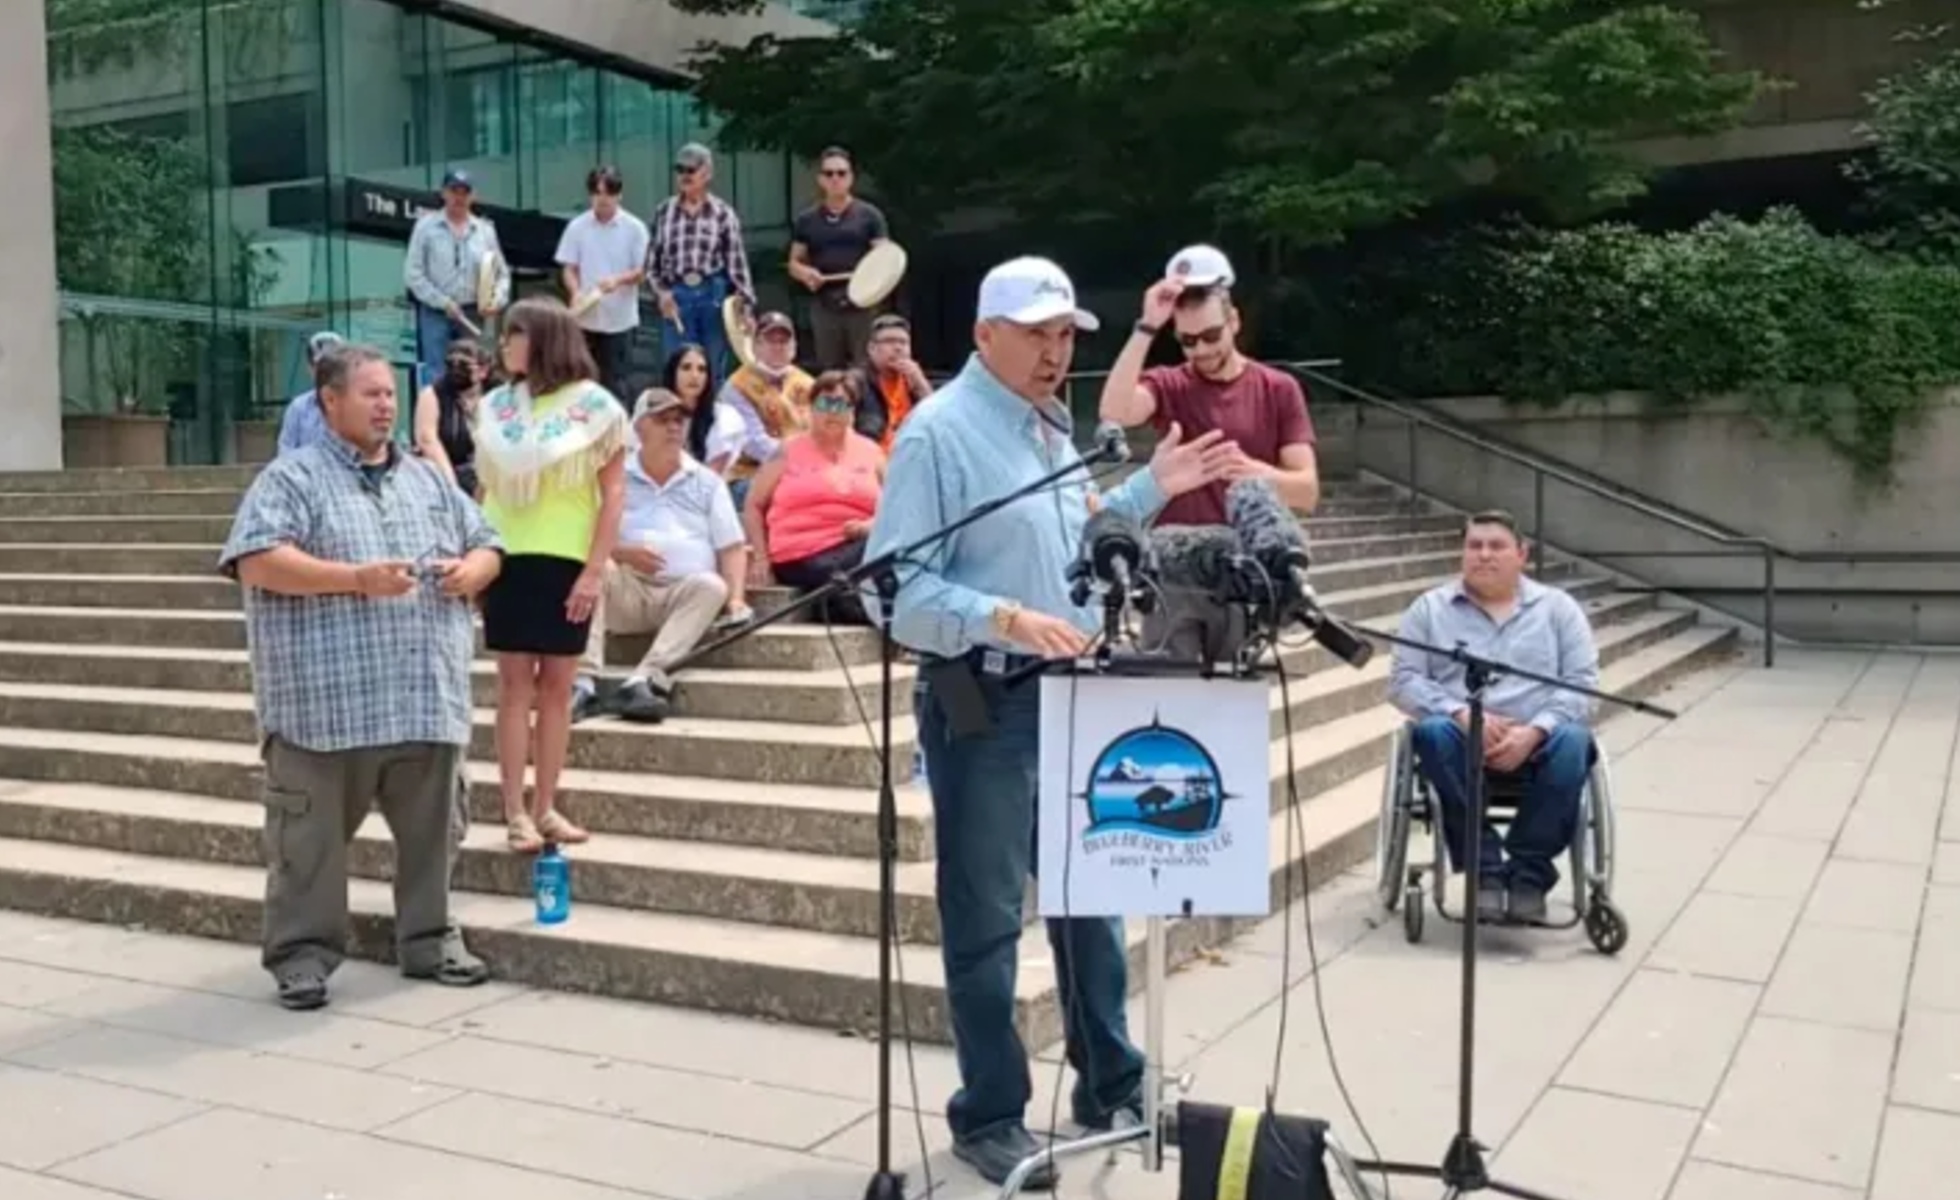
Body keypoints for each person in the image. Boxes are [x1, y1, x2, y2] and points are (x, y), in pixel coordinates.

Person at [863, 256, 1236, 1188]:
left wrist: (1153, 487)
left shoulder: (1048, 428)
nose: (1057, 351)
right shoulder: (940, 436)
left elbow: (1075, 529)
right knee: (986, 920)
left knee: (1089, 901)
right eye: (1040, 333)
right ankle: (988, 1112)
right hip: (982, 699)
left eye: (1068, 334)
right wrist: (1002, 617)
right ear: (986, 334)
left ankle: (1111, 1080)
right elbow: (890, 587)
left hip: (1069, 691)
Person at [218, 341, 503, 1011]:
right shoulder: (291, 478)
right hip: (324, 707)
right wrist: (355, 581)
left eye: (389, 393)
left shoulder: (429, 478)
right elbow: (256, 560)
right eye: (370, 393)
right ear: (330, 401)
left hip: (421, 698)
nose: (386, 405)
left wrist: (477, 569)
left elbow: (488, 539)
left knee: (436, 832)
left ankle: (430, 938)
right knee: (307, 844)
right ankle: (302, 956)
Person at [1387, 510, 1601, 924]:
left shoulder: (1558, 610)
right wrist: (1461, 713)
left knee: (1574, 740)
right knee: (1430, 733)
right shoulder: (1429, 610)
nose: (1484, 555)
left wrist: (1536, 731)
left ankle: (1528, 875)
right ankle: (1485, 869)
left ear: (1522, 554)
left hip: (1540, 740)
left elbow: (1583, 683)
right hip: (1458, 737)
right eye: (1474, 546)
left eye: (1496, 546)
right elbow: (1402, 680)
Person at [472, 298, 630, 851]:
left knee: (558, 689)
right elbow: (485, 488)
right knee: (515, 685)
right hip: (505, 555)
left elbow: (613, 495)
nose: (505, 345)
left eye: (514, 335)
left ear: (542, 340)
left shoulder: (597, 406)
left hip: (566, 557)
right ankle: (513, 810)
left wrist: (593, 569)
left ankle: (546, 807)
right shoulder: (496, 405)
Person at [1096, 243, 1320, 525]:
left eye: (1211, 335)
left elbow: (1307, 492)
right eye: (1188, 340)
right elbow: (1114, 413)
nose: (1201, 349)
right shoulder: (1169, 384)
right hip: (1179, 555)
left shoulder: (1278, 388)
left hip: (1250, 560)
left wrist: (1256, 474)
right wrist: (1147, 326)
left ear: (1234, 321)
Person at [581, 388, 752, 724]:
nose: (674, 427)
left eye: (679, 420)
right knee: (595, 568)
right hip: (625, 589)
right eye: (662, 420)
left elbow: (731, 548)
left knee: (712, 585)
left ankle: (643, 680)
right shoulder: (612, 477)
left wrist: (736, 599)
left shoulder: (707, 482)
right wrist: (622, 552)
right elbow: (582, 537)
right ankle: (583, 682)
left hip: (681, 594)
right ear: (639, 427)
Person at [742, 371, 884, 626]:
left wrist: (871, 526)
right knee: (854, 572)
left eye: (841, 404)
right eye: (825, 403)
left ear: (853, 411)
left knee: (891, 546)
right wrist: (761, 558)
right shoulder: (787, 450)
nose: (832, 411)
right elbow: (753, 504)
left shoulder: (872, 451)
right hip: (801, 552)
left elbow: (898, 504)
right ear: (810, 408)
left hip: (859, 545)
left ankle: (846, 606)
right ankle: (890, 625)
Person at [644, 143, 756, 382]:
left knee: (713, 370)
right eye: (679, 169)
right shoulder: (663, 212)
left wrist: (746, 308)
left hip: (713, 296)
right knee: (677, 370)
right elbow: (651, 265)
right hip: (676, 297)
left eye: (691, 169)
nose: (684, 175)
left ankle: (711, 418)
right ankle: (680, 420)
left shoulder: (723, 213)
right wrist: (661, 294)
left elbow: (737, 266)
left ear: (707, 173)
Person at [788, 147, 891, 370]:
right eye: (829, 173)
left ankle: (868, 407)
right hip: (825, 305)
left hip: (863, 305)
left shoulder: (870, 215)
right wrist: (805, 273)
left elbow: (885, 260)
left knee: (867, 369)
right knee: (829, 372)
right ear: (820, 179)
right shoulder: (806, 219)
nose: (835, 179)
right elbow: (794, 263)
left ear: (851, 177)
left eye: (841, 173)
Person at [403, 169, 509, 383]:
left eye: (465, 192)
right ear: (444, 193)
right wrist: (442, 302)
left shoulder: (485, 231)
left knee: (471, 372)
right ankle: (437, 416)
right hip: (435, 312)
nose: (459, 197)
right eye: (454, 191)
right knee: (437, 373)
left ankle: (468, 416)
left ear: (473, 196)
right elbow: (413, 274)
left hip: (471, 313)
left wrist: (495, 300)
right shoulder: (425, 227)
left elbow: (502, 275)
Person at [555, 164, 651, 401]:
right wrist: (575, 291)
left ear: (619, 194)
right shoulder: (577, 227)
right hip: (585, 318)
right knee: (583, 382)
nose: (603, 199)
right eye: (597, 193)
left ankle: (618, 434)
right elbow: (569, 267)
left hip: (619, 320)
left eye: (608, 193)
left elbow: (643, 271)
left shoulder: (635, 228)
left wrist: (617, 280)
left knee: (616, 383)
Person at [718, 311, 815, 509]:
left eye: (784, 340)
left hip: (806, 469)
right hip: (750, 474)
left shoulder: (809, 384)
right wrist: (800, 461)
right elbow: (754, 444)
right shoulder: (737, 386)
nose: (778, 346)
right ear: (755, 346)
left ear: (794, 346)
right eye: (770, 340)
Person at [413, 342, 491, 497]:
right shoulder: (432, 394)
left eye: (463, 365)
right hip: (446, 478)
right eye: (450, 364)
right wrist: (452, 487)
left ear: (483, 371)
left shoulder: (496, 396)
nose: (456, 369)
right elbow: (427, 440)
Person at [849, 313, 933, 452]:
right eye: (889, 341)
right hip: (874, 456)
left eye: (903, 342)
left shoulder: (913, 379)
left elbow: (937, 420)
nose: (898, 348)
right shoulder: (856, 381)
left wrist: (921, 383)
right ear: (871, 349)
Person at [665, 343, 746, 479]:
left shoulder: (723, 418)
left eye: (702, 370)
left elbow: (711, 479)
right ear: (672, 372)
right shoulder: (652, 414)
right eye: (686, 368)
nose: (694, 375)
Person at [274, 331, 348, 457]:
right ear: (310, 368)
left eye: (333, 366)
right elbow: (285, 454)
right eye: (321, 366)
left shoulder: (355, 405)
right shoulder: (298, 408)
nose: (328, 371)